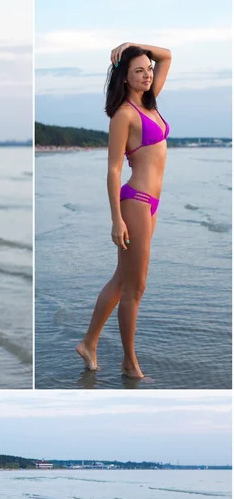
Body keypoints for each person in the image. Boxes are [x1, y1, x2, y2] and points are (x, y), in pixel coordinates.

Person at [77, 43, 172, 379]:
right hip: (135, 203)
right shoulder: (124, 115)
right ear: (126, 78)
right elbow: (113, 170)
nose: (147, 75)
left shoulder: (150, 102)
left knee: (122, 280)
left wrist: (135, 46)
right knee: (136, 286)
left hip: (152, 205)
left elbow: (167, 56)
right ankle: (129, 361)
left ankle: (89, 343)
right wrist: (116, 218)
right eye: (139, 71)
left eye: (148, 69)